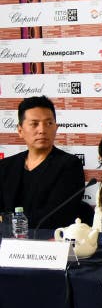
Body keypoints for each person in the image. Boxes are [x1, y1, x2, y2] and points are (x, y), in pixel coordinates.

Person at [0, 96, 85, 229]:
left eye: (49, 123)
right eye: (34, 124)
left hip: (47, 241)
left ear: (56, 128)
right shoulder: (5, 166)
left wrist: (7, 221)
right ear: (20, 130)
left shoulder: (69, 165)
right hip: (6, 243)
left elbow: (58, 216)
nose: (42, 130)